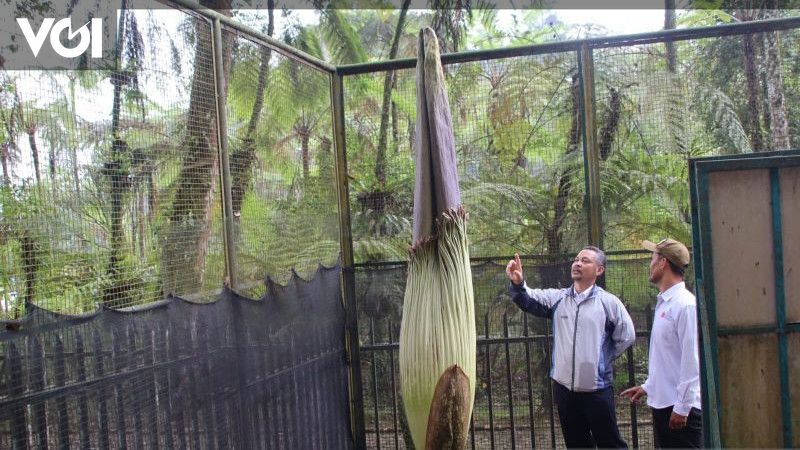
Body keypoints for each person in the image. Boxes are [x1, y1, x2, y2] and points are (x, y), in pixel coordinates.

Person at [506, 246, 635, 448]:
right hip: (564, 389)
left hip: (597, 389)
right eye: (576, 259)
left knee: (610, 443)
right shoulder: (558, 298)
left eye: (585, 261)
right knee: (576, 444)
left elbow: (626, 336)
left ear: (599, 270)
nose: (578, 263)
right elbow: (529, 297)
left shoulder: (609, 303)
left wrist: (602, 359)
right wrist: (518, 282)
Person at [620, 238, 702, 448]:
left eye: (653, 257)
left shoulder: (685, 305)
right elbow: (667, 357)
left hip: (681, 409)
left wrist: (682, 408)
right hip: (664, 404)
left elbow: (691, 360)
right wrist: (649, 386)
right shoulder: (666, 303)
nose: (650, 263)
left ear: (663, 262)